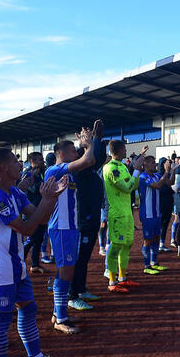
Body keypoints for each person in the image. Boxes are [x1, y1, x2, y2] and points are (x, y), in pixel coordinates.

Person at [0, 147, 69, 357]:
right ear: (4, 167)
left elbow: (41, 217)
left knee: (28, 308)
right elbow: (27, 228)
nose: (20, 165)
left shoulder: (14, 192)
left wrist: (52, 197)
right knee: (1, 318)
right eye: (15, 162)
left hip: (15, 265)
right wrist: (47, 199)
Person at [43, 123, 100, 333]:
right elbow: (88, 159)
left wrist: (90, 145)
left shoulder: (70, 172)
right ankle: (60, 318)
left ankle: (59, 313)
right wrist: (89, 144)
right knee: (66, 271)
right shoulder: (54, 169)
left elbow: (91, 161)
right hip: (61, 227)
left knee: (67, 270)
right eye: (73, 151)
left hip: (70, 227)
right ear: (62, 153)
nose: (77, 153)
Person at [66, 132, 109, 312]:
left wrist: (98, 140)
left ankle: (81, 289)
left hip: (91, 219)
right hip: (82, 221)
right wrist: (93, 141)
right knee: (78, 259)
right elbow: (92, 158)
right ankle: (72, 296)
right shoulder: (78, 169)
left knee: (84, 259)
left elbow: (97, 158)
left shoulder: (90, 170)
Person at [103, 139, 146, 292]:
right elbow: (127, 187)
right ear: (120, 150)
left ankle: (122, 278)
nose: (126, 151)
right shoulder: (110, 168)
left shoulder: (122, 166)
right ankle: (112, 281)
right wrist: (136, 170)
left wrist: (136, 172)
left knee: (127, 245)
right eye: (125, 149)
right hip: (117, 214)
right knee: (116, 246)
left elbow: (134, 185)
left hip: (127, 213)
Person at [137, 155, 175, 274]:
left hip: (157, 213)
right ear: (146, 164)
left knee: (156, 238)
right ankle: (147, 266)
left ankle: (154, 262)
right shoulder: (143, 177)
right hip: (147, 214)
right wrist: (166, 172)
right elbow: (157, 185)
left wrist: (173, 170)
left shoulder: (156, 175)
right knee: (147, 240)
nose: (156, 165)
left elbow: (170, 182)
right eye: (153, 163)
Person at [21, 152, 48, 274]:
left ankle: (35, 265)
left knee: (39, 239)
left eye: (42, 159)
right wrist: (37, 179)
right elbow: (33, 188)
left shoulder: (42, 172)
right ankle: (19, 262)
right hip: (30, 211)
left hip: (41, 210)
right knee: (31, 238)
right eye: (39, 160)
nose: (42, 162)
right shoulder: (27, 174)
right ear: (32, 161)